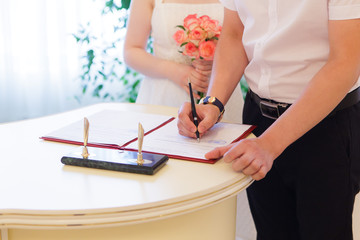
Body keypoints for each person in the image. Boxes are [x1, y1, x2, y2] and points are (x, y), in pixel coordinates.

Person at [177, 0, 360, 239]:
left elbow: (345, 62)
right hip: (257, 120)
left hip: (325, 124)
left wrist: (269, 145)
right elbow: (235, 33)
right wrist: (213, 103)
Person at [123, 0, 244, 124]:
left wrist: (217, 59)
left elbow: (240, 38)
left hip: (222, 94)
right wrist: (174, 71)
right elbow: (131, 51)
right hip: (165, 95)